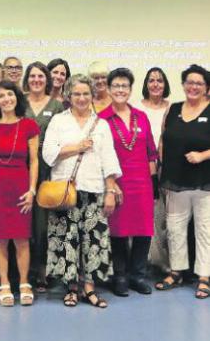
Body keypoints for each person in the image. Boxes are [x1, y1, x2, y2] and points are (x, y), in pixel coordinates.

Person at [43, 74, 121, 308]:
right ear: (68, 95)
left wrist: (110, 191)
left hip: (94, 189)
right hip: (65, 192)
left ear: (92, 95)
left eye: (85, 93)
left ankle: (89, 288)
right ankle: (71, 289)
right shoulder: (58, 121)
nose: (81, 98)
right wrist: (77, 147)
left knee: (93, 241)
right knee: (67, 240)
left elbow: (109, 160)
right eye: (76, 93)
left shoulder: (102, 124)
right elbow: (48, 154)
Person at [0, 80, 40, 306]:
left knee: (22, 239)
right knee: (0, 239)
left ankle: (24, 283)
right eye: (1, 96)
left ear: (17, 98)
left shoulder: (29, 126)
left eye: (10, 95)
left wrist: (32, 190)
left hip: (21, 188)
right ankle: (4, 283)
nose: (7, 99)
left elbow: (33, 162)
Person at [99, 68, 159, 297]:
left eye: (125, 86)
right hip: (117, 183)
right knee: (119, 230)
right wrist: (110, 186)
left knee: (144, 231)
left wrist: (153, 183)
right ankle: (120, 275)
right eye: (116, 86)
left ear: (130, 89)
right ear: (109, 88)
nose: (121, 90)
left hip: (142, 182)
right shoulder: (102, 118)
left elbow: (151, 152)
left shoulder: (141, 116)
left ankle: (138, 275)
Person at [156, 64, 210, 299]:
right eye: (189, 82)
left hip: (204, 182)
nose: (193, 87)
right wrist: (161, 163)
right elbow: (163, 140)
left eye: (198, 83)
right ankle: (176, 271)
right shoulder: (174, 108)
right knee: (175, 228)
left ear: (207, 87)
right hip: (174, 181)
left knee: (204, 230)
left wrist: (203, 155)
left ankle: (204, 277)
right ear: (183, 85)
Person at [23, 61, 64, 292]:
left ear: (46, 80)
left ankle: (41, 269)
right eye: (33, 76)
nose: (37, 80)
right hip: (20, 167)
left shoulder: (57, 106)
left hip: (47, 169)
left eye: (41, 76)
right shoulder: (19, 102)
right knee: (22, 219)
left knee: (42, 223)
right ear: (27, 79)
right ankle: (21, 269)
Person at [134, 67, 171, 273]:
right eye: (151, 80)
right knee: (140, 216)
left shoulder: (172, 108)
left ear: (165, 85)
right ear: (145, 84)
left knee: (161, 218)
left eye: (159, 80)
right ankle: (140, 262)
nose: (155, 84)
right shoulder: (136, 109)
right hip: (141, 170)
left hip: (166, 170)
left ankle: (160, 261)